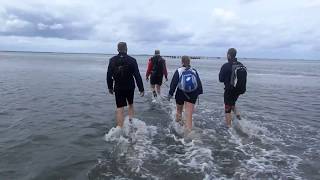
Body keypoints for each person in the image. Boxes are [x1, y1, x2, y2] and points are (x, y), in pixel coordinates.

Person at [107, 42, 144, 128]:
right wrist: (141, 89)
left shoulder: (112, 60)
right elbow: (137, 75)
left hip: (118, 87)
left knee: (120, 108)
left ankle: (120, 128)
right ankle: (131, 124)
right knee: (130, 104)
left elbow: (109, 75)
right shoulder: (132, 60)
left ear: (117, 49)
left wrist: (110, 87)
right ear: (126, 49)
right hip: (130, 87)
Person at [167, 56, 203, 131]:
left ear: (182, 62)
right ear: (189, 62)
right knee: (189, 115)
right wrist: (199, 93)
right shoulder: (194, 71)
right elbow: (199, 83)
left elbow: (173, 84)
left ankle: (177, 127)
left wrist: (170, 94)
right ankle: (189, 134)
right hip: (193, 94)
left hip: (180, 94)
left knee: (179, 111)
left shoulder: (179, 71)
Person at [219, 48, 247, 128]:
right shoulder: (241, 65)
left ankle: (229, 128)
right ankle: (240, 120)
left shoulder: (226, 66)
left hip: (229, 90)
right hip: (238, 90)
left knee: (227, 108)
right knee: (232, 104)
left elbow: (220, 79)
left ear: (228, 55)